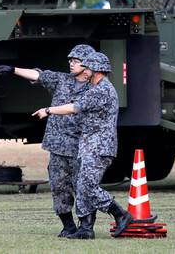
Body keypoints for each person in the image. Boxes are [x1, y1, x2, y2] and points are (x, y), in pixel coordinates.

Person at [0, 44, 95, 238]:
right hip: (57, 147)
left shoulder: (96, 88)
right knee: (59, 187)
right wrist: (13, 70)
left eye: (76, 61)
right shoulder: (62, 80)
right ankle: (68, 226)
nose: (71, 64)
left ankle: (86, 228)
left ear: (88, 64)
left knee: (84, 188)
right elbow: (38, 75)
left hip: (81, 148)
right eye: (70, 60)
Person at [32, 51, 133, 239]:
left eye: (87, 67)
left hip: (98, 147)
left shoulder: (101, 90)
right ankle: (86, 230)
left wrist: (48, 110)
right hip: (90, 146)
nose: (83, 71)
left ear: (96, 70)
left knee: (86, 186)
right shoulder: (96, 88)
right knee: (83, 185)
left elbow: (73, 107)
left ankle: (121, 215)